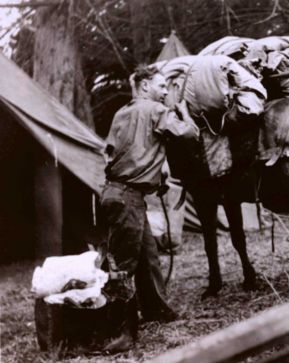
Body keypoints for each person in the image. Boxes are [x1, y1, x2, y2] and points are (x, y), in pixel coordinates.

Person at [100, 64, 199, 351]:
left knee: (148, 255)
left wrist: (153, 175)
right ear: (145, 86)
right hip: (127, 197)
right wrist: (184, 113)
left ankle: (157, 309)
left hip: (117, 193)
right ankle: (121, 333)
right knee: (123, 266)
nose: (165, 91)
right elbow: (188, 134)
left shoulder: (121, 113)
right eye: (161, 86)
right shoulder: (156, 111)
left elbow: (112, 154)